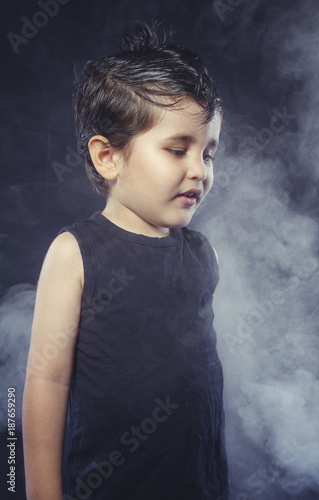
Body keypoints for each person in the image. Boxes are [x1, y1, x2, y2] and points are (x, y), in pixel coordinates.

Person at [22, 21, 229, 500]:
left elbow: (204, 389)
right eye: (178, 149)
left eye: (210, 153)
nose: (199, 170)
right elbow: (45, 383)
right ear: (108, 157)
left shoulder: (202, 254)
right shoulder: (75, 252)